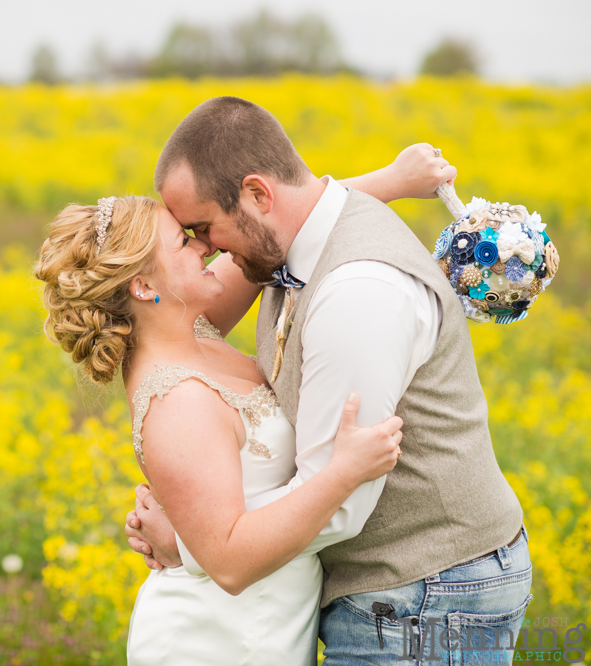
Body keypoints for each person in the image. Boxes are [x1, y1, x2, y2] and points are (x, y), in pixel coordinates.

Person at [124, 96, 531, 665]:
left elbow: (343, 499)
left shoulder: (356, 293)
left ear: (259, 195)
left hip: (423, 590)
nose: (206, 248)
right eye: (189, 236)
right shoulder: (278, 250)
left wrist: (194, 543)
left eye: (205, 227)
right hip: (397, 590)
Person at [34, 144, 458, 664]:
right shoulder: (177, 399)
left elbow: (291, 222)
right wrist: (342, 473)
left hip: (268, 621)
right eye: (181, 242)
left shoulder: (197, 331)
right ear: (144, 286)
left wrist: (393, 179)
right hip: (219, 639)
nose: (205, 247)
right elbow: (230, 563)